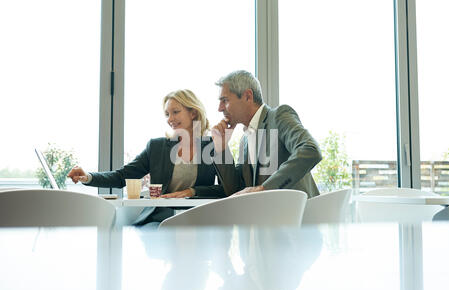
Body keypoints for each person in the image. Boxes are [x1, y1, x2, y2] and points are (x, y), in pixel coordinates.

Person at [68, 89, 225, 225]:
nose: (170, 119)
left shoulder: (213, 146)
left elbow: (227, 189)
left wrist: (192, 191)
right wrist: (87, 177)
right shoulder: (157, 147)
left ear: (193, 113)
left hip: (198, 219)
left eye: (175, 112)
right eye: (167, 114)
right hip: (158, 219)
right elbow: (122, 176)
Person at [211, 70, 322, 198]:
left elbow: (311, 150)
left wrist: (265, 188)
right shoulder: (245, 140)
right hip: (269, 215)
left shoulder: (279, 116)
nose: (220, 108)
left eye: (225, 100)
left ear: (248, 96)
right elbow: (236, 191)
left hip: (298, 213)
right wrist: (222, 148)